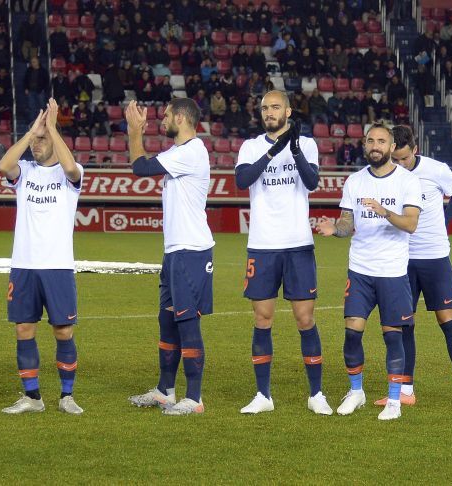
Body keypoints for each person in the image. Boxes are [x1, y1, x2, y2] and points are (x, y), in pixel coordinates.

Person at [315, 123, 422, 421]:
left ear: (390, 147)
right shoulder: (354, 182)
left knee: (392, 337)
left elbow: (411, 224)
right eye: (370, 140)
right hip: (360, 269)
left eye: (381, 141)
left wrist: (384, 211)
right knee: (352, 333)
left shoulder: (407, 181)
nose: (375, 145)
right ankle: (357, 391)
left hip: (392, 271)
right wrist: (335, 229)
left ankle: (393, 401)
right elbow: (348, 223)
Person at [233, 90, 331, 415]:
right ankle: (263, 395)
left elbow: (312, 181)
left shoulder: (307, 144)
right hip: (262, 245)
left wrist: (294, 149)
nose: (269, 112)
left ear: (288, 111)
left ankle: (316, 394)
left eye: (275, 107)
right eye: (265, 108)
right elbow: (242, 179)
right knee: (263, 318)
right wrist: (274, 151)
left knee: (305, 319)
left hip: (298, 244)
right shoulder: (250, 146)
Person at [125, 98, 214, 416]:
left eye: (165, 116)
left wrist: (134, 131)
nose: (161, 120)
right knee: (168, 320)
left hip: (191, 250)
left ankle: (194, 398)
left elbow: (140, 168)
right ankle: (165, 391)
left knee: (187, 322)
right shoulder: (181, 153)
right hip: (176, 251)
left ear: (181, 117)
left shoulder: (191, 151)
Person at [0, 98, 85, 415]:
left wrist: (52, 129)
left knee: (63, 331)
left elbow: (72, 168)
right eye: (35, 140)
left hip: (57, 266)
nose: (37, 145)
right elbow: (4, 166)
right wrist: (32, 131)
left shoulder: (69, 175)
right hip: (24, 265)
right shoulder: (25, 173)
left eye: (42, 140)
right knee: (24, 329)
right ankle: (32, 398)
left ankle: (67, 396)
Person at [383, 126, 452, 411]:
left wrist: (444, 221)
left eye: (403, 159)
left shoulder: (436, 170)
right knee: (404, 323)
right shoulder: (387, 174)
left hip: (435, 257)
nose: (399, 165)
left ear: (415, 150)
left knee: (447, 321)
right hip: (403, 260)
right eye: (394, 159)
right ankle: (406, 390)